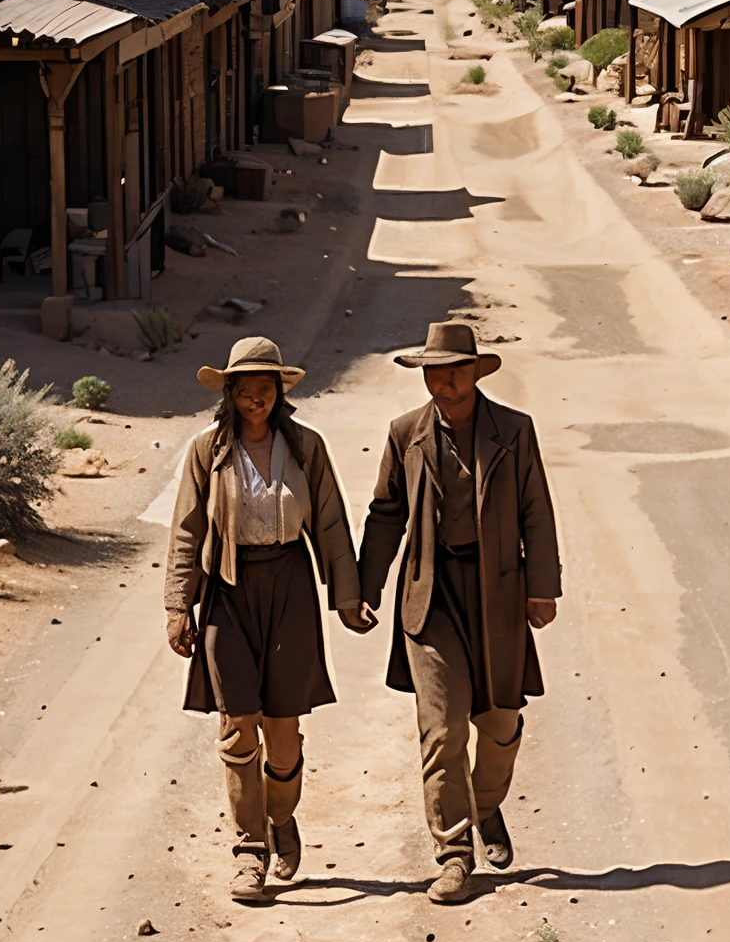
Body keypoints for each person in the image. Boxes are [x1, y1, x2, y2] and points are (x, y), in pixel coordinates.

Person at [357, 322, 561, 904]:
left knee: (500, 724)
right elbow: (385, 514)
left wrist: (542, 587)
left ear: (474, 372)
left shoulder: (514, 432)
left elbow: (536, 513)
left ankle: (486, 804)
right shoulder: (405, 435)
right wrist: (363, 588)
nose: (442, 384)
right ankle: (453, 854)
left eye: (453, 371)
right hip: (432, 592)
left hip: (497, 593)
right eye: (433, 372)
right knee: (442, 730)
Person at [164, 336, 370, 903]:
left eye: (265, 388)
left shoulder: (305, 447)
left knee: (283, 733)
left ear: (280, 392)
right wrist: (179, 605)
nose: (256, 398)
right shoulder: (208, 451)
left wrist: (348, 597)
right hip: (229, 588)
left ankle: (281, 815)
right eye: (245, 389)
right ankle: (249, 852)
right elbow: (187, 530)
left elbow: (329, 523)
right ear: (229, 393)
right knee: (236, 727)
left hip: (290, 585)